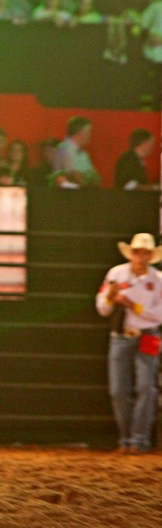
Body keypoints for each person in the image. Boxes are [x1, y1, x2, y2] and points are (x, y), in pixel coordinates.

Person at [96, 233, 162, 454]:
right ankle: (126, 439)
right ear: (131, 254)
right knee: (118, 391)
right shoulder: (116, 274)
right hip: (121, 335)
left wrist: (133, 306)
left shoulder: (159, 279)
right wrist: (110, 297)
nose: (140, 257)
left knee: (146, 387)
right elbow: (103, 308)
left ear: (151, 256)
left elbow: (159, 315)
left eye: (145, 253)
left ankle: (138, 440)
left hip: (147, 335)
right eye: (137, 252)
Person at [51, 115, 101, 187]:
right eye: (89, 131)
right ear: (81, 132)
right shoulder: (64, 150)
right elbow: (75, 176)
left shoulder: (83, 154)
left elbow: (96, 177)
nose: (90, 135)